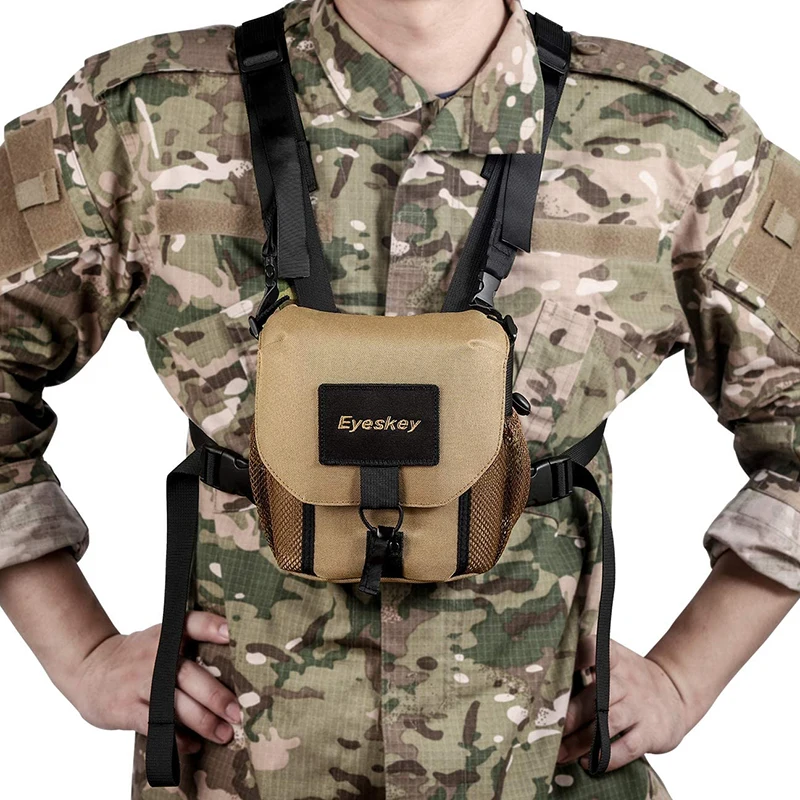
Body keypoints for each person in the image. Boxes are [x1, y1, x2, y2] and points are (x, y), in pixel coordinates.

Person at [0, 0, 798, 797]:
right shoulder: (133, 122)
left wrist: (686, 679)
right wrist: (80, 654)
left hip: (541, 770)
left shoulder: (679, 143)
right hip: (238, 768)